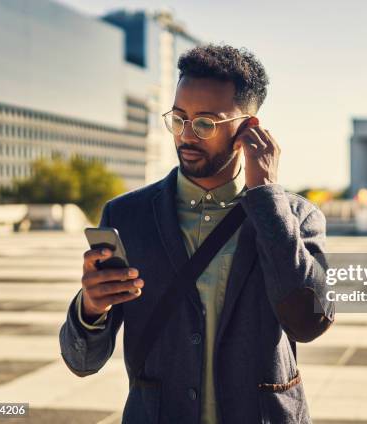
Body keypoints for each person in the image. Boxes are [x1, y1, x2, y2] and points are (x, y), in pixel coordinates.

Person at [59, 44, 335, 424]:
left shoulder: (297, 216)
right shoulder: (126, 215)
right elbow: (82, 361)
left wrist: (267, 196)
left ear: (247, 129)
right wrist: (92, 307)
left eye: (205, 123)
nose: (186, 135)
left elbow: (308, 323)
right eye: (178, 118)